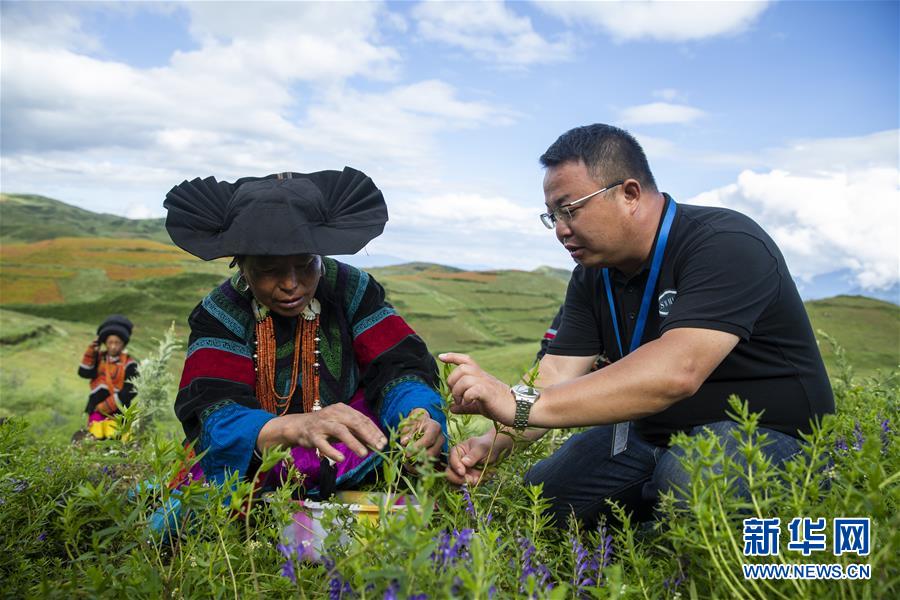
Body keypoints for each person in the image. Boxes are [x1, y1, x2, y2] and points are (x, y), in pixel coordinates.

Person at [442, 124, 834, 527]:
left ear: (629, 194)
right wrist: (494, 442)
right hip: (655, 434)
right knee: (545, 499)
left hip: (767, 434)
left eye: (570, 210)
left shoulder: (725, 243)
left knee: (690, 482)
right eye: (552, 216)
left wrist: (520, 404)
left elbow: (676, 372)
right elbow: (556, 372)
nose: (560, 229)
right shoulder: (593, 274)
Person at [163, 167, 447, 498]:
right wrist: (295, 428)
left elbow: (398, 366)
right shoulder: (222, 312)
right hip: (259, 453)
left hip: (348, 444)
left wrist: (417, 414)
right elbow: (215, 411)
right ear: (241, 264)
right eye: (268, 270)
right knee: (206, 492)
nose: (291, 284)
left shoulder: (352, 289)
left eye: (305, 265)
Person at [77, 315, 139, 440]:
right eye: (110, 342)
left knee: (116, 442)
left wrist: (107, 405)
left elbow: (131, 389)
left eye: (117, 343)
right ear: (105, 343)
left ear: (123, 344)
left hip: (119, 413)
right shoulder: (98, 358)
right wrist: (91, 352)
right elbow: (84, 373)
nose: (113, 346)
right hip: (96, 411)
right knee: (95, 441)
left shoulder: (130, 364)